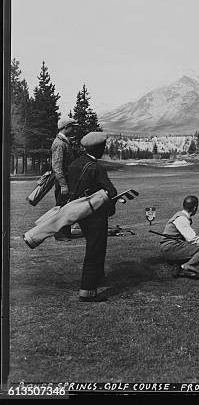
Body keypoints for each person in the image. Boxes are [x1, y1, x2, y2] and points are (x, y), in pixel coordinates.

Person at [67, 132, 117, 302]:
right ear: (97, 148)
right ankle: (87, 290)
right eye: (102, 147)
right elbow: (111, 191)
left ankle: (97, 279)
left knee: (93, 245)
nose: (104, 150)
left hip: (78, 211)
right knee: (95, 249)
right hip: (94, 212)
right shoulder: (96, 167)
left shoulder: (74, 164)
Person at [160, 196, 199, 279]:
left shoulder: (180, 215)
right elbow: (192, 239)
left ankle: (179, 264)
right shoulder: (182, 219)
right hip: (170, 248)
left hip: (170, 248)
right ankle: (186, 268)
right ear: (195, 208)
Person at [51, 117, 77, 240]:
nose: (73, 129)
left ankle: (65, 232)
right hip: (63, 181)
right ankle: (59, 234)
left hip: (67, 180)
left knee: (66, 207)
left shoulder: (64, 142)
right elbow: (57, 166)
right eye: (72, 127)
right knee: (61, 207)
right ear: (66, 127)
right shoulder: (59, 143)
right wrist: (63, 184)